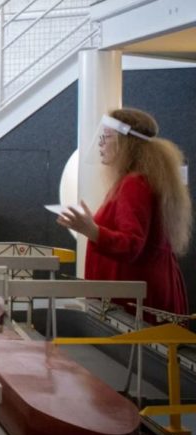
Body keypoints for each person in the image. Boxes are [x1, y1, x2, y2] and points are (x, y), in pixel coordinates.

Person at [58, 108, 192, 317]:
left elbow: (132, 245)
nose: (100, 143)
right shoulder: (140, 180)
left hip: (135, 302)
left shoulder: (134, 183)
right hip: (144, 293)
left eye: (107, 137)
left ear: (126, 143)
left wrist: (92, 230)